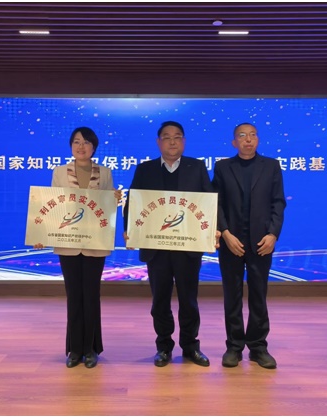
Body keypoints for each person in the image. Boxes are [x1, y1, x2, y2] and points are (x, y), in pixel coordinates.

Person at [123, 121, 215, 368]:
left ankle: (190, 346)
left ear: (183, 141)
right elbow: (133, 202)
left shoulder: (196, 167)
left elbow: (208, 202)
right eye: (166, 137)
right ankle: (163, 347)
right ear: (158, 142)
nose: (172, 141)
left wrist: (211, 231)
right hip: (157, 249)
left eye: (177, 137)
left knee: (189, 301)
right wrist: (130, 231)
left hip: (188, 247)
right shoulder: (145, 169)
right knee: (160, 301)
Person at [35, 127, 120, 369]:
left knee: (91, 295)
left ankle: (91, 349)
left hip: (95, 243)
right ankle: (74, 350)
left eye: (86, 142)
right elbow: (53, 204)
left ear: (94, 146)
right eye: (76, 142)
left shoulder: (105, 173)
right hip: (68, 243)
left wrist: (114, 200)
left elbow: (106, 209)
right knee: (74, 296)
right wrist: (42, 234)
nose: (81, 147)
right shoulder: (59, 172)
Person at [211, 122, 286, 369]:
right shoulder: (223, 167)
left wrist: (273, 234)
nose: (248, 139)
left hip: (261, 242)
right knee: (231, 296)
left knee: (258, 295)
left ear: (258, 140)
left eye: (253, 135)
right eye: (242, 136)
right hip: (231, 241)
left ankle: (258, 347)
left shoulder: (271, 166)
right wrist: (225, 233)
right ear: (234, 142)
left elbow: (278, 203)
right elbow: (216, 203)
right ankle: (234, 347)